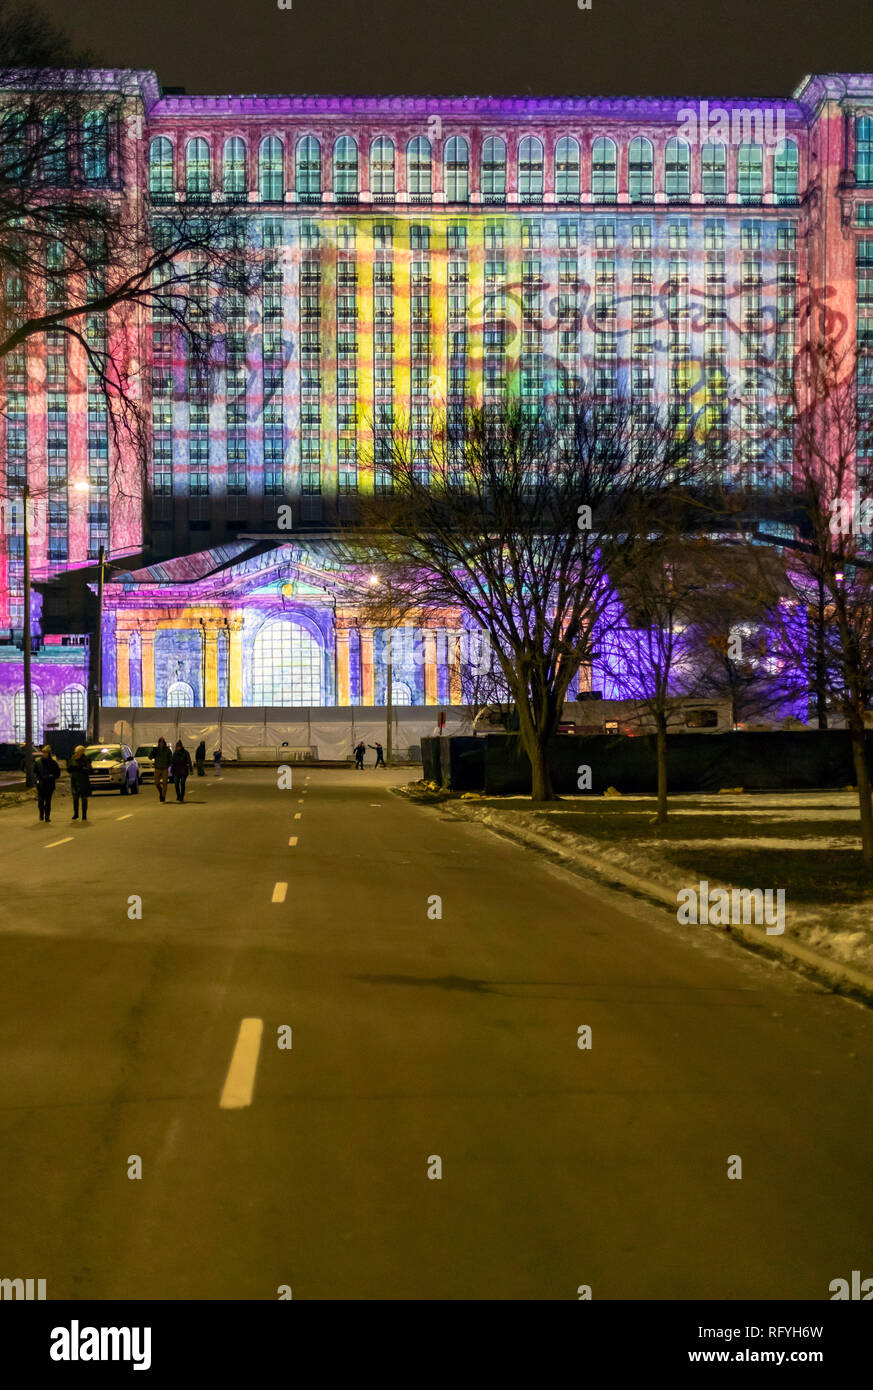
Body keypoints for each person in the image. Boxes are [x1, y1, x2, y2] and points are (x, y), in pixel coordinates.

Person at [34, 744, 61, 823]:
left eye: (46, 752)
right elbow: (35, 772)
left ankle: (47, 817)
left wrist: (51, 776)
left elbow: (57, 774)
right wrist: (37, 781)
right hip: (41, 785)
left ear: (49, 753)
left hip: (49, 785)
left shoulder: (53, 763)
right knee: (40, 802)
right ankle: (41, 813)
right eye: (43, 752)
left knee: (48, 802)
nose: (44, 754)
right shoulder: (39, 762)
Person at [67, 745, 91, 822]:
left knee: (84, 799)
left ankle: (84, 815)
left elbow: (90, 770)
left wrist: (81, 768)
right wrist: (70, 768)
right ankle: (76, 813)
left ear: (81, 752)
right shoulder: (72, 759)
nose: (75, 754)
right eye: (75, 752)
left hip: (83, 781)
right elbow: (69, 769)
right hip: (74, 781)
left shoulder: (86, 760)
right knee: (75, 799)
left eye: (77, 752)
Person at [153, 736, 171, 802]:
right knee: (156, 783)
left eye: (162, 742)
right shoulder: (156, 750)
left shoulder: (167, 750)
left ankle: (163, 796)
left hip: (165, 768)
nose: (161, 743)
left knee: (164, 783)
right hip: (157, 768)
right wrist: (153, 752)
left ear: (164, 743)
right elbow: (150, 757)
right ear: (159, 743)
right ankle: (160, 792)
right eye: (160, 742)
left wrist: (169, 765)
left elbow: (170, 759)